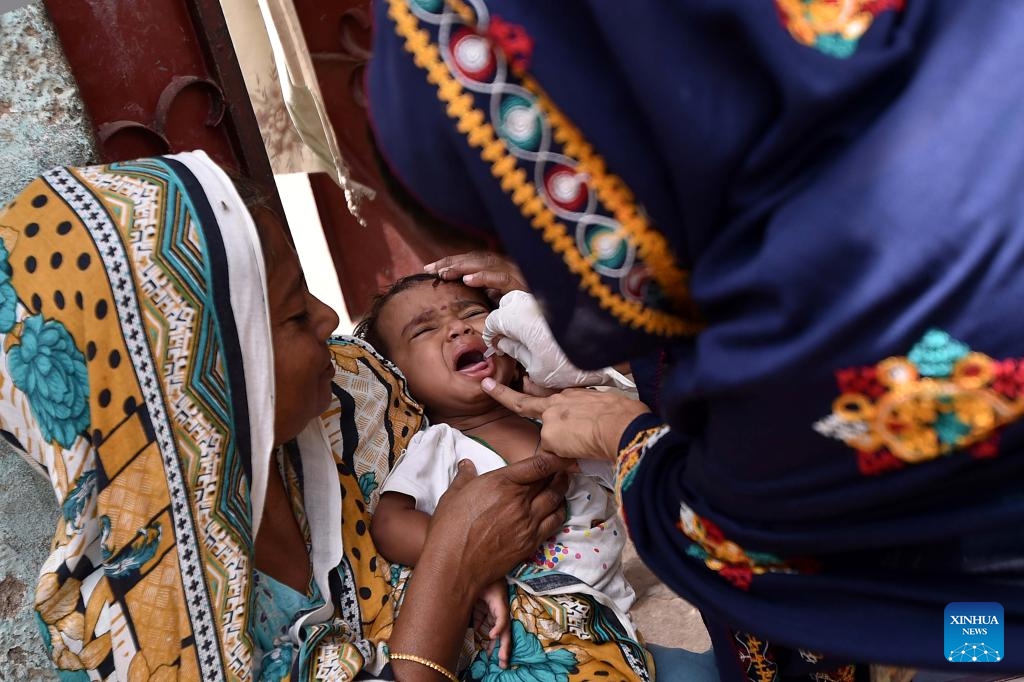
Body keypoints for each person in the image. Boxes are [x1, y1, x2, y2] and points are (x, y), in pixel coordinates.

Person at [366, 1, 1024, 679]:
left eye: (529, 245)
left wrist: (624, 438)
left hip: (971, 603)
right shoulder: (846, 102)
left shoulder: (848, 308)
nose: (473, 319)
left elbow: (745, 543)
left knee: (958, 634)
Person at [0, 151, 573, 681]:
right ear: (211, 372)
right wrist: (455, 562)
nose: (329, 318)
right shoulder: (133, 631)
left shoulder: (352, 393)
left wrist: (531, 311)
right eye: (296, 313)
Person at [356, 273, 652, 680]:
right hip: (522, 645)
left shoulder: (562, 408)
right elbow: (389, 524)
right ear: (400, 382)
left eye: (474, 312)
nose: (457, 327)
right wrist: (471, 568)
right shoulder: (441, 445)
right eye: (425, 329)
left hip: (608, 628)